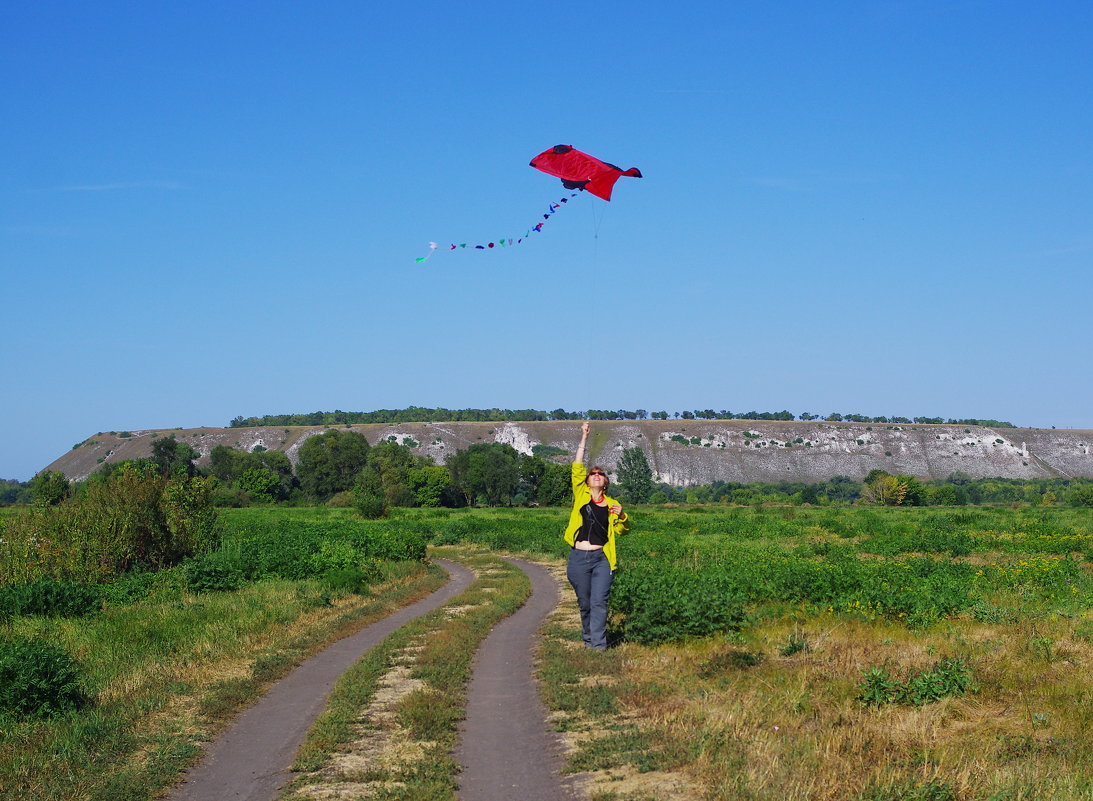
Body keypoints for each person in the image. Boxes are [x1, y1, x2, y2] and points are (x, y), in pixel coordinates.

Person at [564, 421, 630, 650]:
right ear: (587, 480)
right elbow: (577, 467)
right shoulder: (580, 494)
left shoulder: (613, 505)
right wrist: (584, 437)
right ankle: (588, 639)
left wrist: (623, 517)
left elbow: (623, 531)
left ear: (605, 482)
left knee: (599, 602)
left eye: (601, 474)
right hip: (579, 558)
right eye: (593, 474)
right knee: (585, 603)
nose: (596, 475)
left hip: (602, 558)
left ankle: (599, 646)